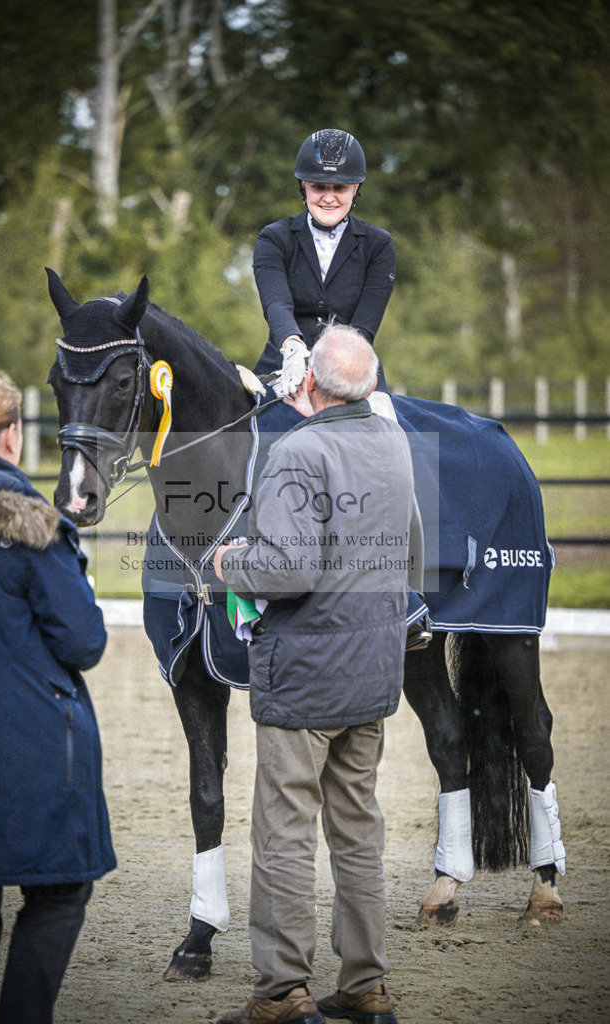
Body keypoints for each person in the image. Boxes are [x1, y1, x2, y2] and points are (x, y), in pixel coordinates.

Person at [213, 326, 415, 1024]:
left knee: (284, 834)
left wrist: (229, 563)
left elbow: (286, 570)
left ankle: (281, 991)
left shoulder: (297, 450)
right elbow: (408, 543)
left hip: (304, 674)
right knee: (358, 832)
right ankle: (364, 985)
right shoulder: (393, 439)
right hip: (372, 670)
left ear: (311, 383)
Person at [0, 371, 115, 1024]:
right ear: (11, 438)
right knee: (60, 891)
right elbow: (85, 640)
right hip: (29, 743)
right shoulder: (33, 526)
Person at [252, 128, 396, 401]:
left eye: (340, 188)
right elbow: (276, 304)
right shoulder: (273, 238)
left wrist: (325, 370)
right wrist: (292, 346)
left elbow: (363, 329)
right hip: (285, 365)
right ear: (304, 186)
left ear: (355, 189)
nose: (328, 198)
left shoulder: (379, 245)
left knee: (386, 435)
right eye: (318, 187)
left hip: (353, 370)